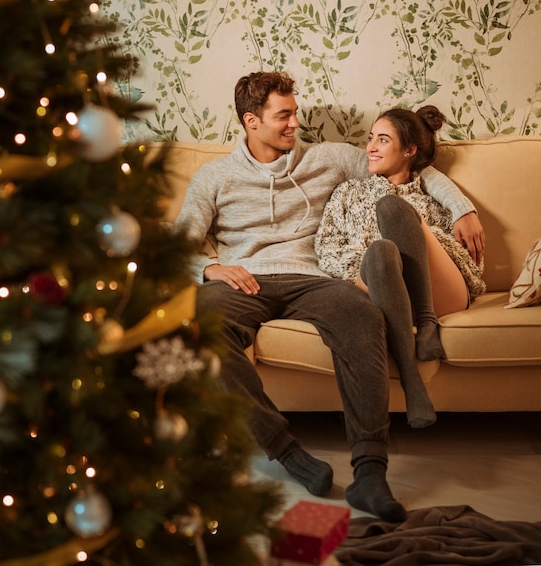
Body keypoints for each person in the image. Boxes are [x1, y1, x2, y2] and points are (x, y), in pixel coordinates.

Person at [173, 72, 485, 522]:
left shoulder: (330, 159)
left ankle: (371, 472)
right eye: (284, 115)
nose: (295, 123)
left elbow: (410, 165)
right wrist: (208, 268)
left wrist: (464, 208)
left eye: (294, 112)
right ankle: (286, 452)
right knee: (197, 327)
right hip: (243, 280)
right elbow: (177, 244)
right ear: (250, 120)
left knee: (363, 317)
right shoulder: (215, 176)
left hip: (316, 278)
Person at [315, 106, 486, 428]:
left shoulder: (435, 198)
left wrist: (420, 234)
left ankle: (425, 317)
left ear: (409, 150)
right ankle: (413, 381)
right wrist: (380, 266)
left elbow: (471, 267)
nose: (370, 148)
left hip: (441, 295)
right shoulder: (347, 193)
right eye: (371, 139)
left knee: (393, 208)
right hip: (376, 288)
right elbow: (326, 248)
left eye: (382, 140)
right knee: (381, 252)